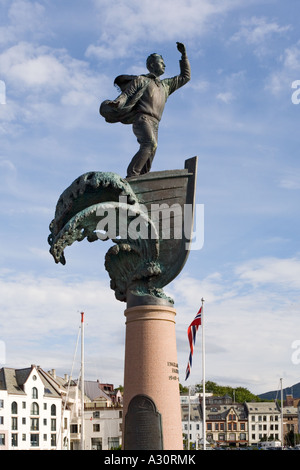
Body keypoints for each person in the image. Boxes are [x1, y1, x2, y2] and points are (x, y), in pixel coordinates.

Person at [100, 42, 191, 177]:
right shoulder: (142, 80)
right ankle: (132, 176)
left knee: (151, 152)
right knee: (149, 144)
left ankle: (142, 179)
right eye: (162, 62)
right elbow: (127, 94)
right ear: (152, 65)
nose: (164, 65)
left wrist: (184, 56)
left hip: (156, 123)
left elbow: (185, 77)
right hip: (143, 119)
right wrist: (117, 103)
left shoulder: (165, 86)